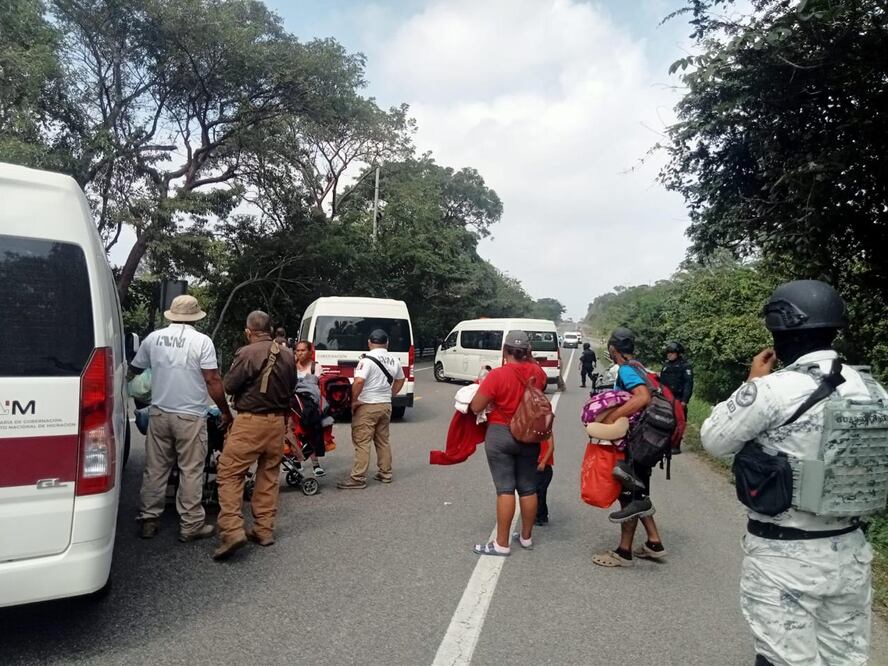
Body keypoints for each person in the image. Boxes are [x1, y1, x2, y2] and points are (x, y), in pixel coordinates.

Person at [701, 280, 881, 665]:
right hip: (851, 554)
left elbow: (714, 439)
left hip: (784, 558)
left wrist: (752, 381)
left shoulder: (772, 390)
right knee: (846, 660)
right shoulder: (874, 391)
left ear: (779, 330)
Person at [131, 295, 232, 542]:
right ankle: (190, 525)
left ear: (172, 314)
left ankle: (149, 519)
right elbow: (212, 379)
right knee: (191, 470)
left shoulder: (153, 338)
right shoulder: (202, 341)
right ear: (195, 317)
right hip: (190, 416)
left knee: (155, 468)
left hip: (159, 413)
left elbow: (135, 369)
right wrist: (225, 410)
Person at [213, 311, 297, 560]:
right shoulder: (288, 355)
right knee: (269, 476)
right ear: (270, 330)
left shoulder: (247, 352)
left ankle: (232, 530)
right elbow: (291, 389)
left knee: (230, 473)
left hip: (251, 422)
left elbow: (229, 385)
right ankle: (263, 530)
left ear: (248, 331)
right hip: (277, 423)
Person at [468, 330, 548, 556]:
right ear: (528, 351)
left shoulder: (497, 375)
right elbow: (539, 388)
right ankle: (526, 537)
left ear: (504, 351)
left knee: (505, 489)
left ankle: (501, 544)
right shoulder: (538, 373)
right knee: (528, 488)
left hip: (501, 434)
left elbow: (476, 407)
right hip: (529, 435)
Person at [592, 327, 667, 568]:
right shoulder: (639, 367)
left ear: (613, 348)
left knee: (629, 497)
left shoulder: (625, 369)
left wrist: (613, 418)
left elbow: (642, 397)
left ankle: (623, 553)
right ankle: (654, 542)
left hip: (636, 443)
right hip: (648, 440)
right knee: (639, 493)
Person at [337, 329, 405, 489]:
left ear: (369, 342)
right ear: (387, 343)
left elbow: (359, 381)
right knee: (383, 441)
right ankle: (385, 473)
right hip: (385, 405)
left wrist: (353, 401)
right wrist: (390, 394)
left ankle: (358, 478)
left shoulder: (366, 361)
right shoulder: (394, 360)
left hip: (367, 405)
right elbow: (400, 380)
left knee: (362, 442)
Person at [292, 340, 325, 476]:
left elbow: (320, 388)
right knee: (293, 434)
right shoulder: (291, 366)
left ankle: (315, 464)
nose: (300, 353)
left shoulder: (316, 367)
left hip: (310, 407)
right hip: (293, 407)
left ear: (310, 352)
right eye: (298, 350)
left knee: (311, 433)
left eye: (303, 350)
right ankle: (296, 461)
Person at [659, 341, 693, 452]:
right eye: (668, 353)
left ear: (678, 354)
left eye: (672, 353)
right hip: (666, 397)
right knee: (665, 420)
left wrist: (685, 400)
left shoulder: (685, 366)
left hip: (679, 398)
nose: (669, 355)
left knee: (679, 422)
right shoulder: (666, 366)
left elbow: (688, 384)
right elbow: (661, 382)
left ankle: (676, 445)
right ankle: (665, 443)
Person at [535, 434, 555, 525]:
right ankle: (542, 515)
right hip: (534, 463)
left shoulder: (547, 430)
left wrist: (543, 462)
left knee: (540, 491)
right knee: (538, 491)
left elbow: (551, 447)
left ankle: (539, 516)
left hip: (544, 466)